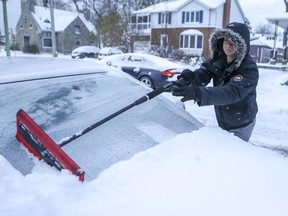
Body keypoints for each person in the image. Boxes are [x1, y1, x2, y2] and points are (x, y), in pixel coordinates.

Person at [172, 22, 259, 142]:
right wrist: (192, 77)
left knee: (233, 155)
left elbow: (232, 92)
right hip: (223, 118)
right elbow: (205, 73)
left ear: (242, 45)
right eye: (226, 40)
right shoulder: (218, 60)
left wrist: (198, 93)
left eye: (233, 42)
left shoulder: (249, 69)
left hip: (241, 124)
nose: (228, 45)